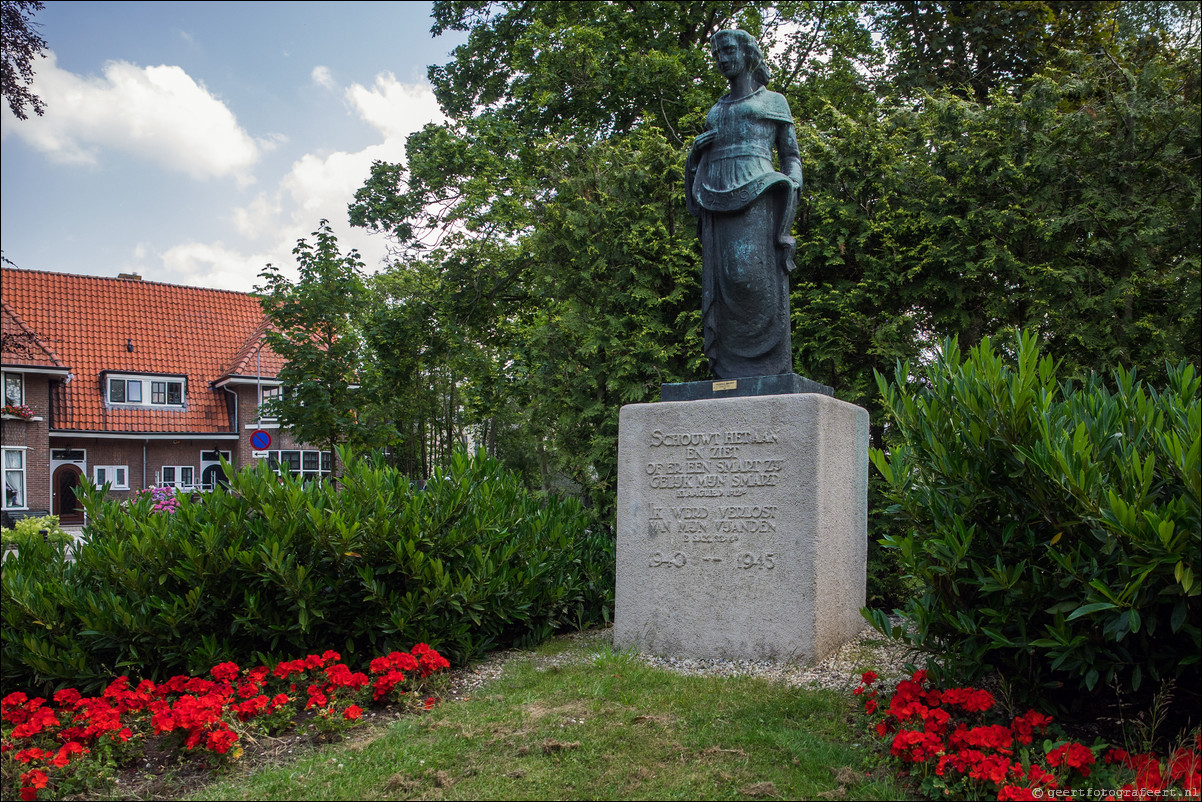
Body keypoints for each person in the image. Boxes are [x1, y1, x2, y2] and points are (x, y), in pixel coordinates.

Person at [686, 29, 803, 379]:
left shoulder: (774, 102)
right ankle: (727, 370)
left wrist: (793, 183)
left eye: (728, 50)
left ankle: (769, 365)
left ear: (747, 53)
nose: (722, 59)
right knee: (724, 283)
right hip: (715, 195)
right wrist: (693, 155)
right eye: (717, 53)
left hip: (759, 193)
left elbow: (790, 155)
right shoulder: (715, 111)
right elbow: (700, 160)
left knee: (751, 275)